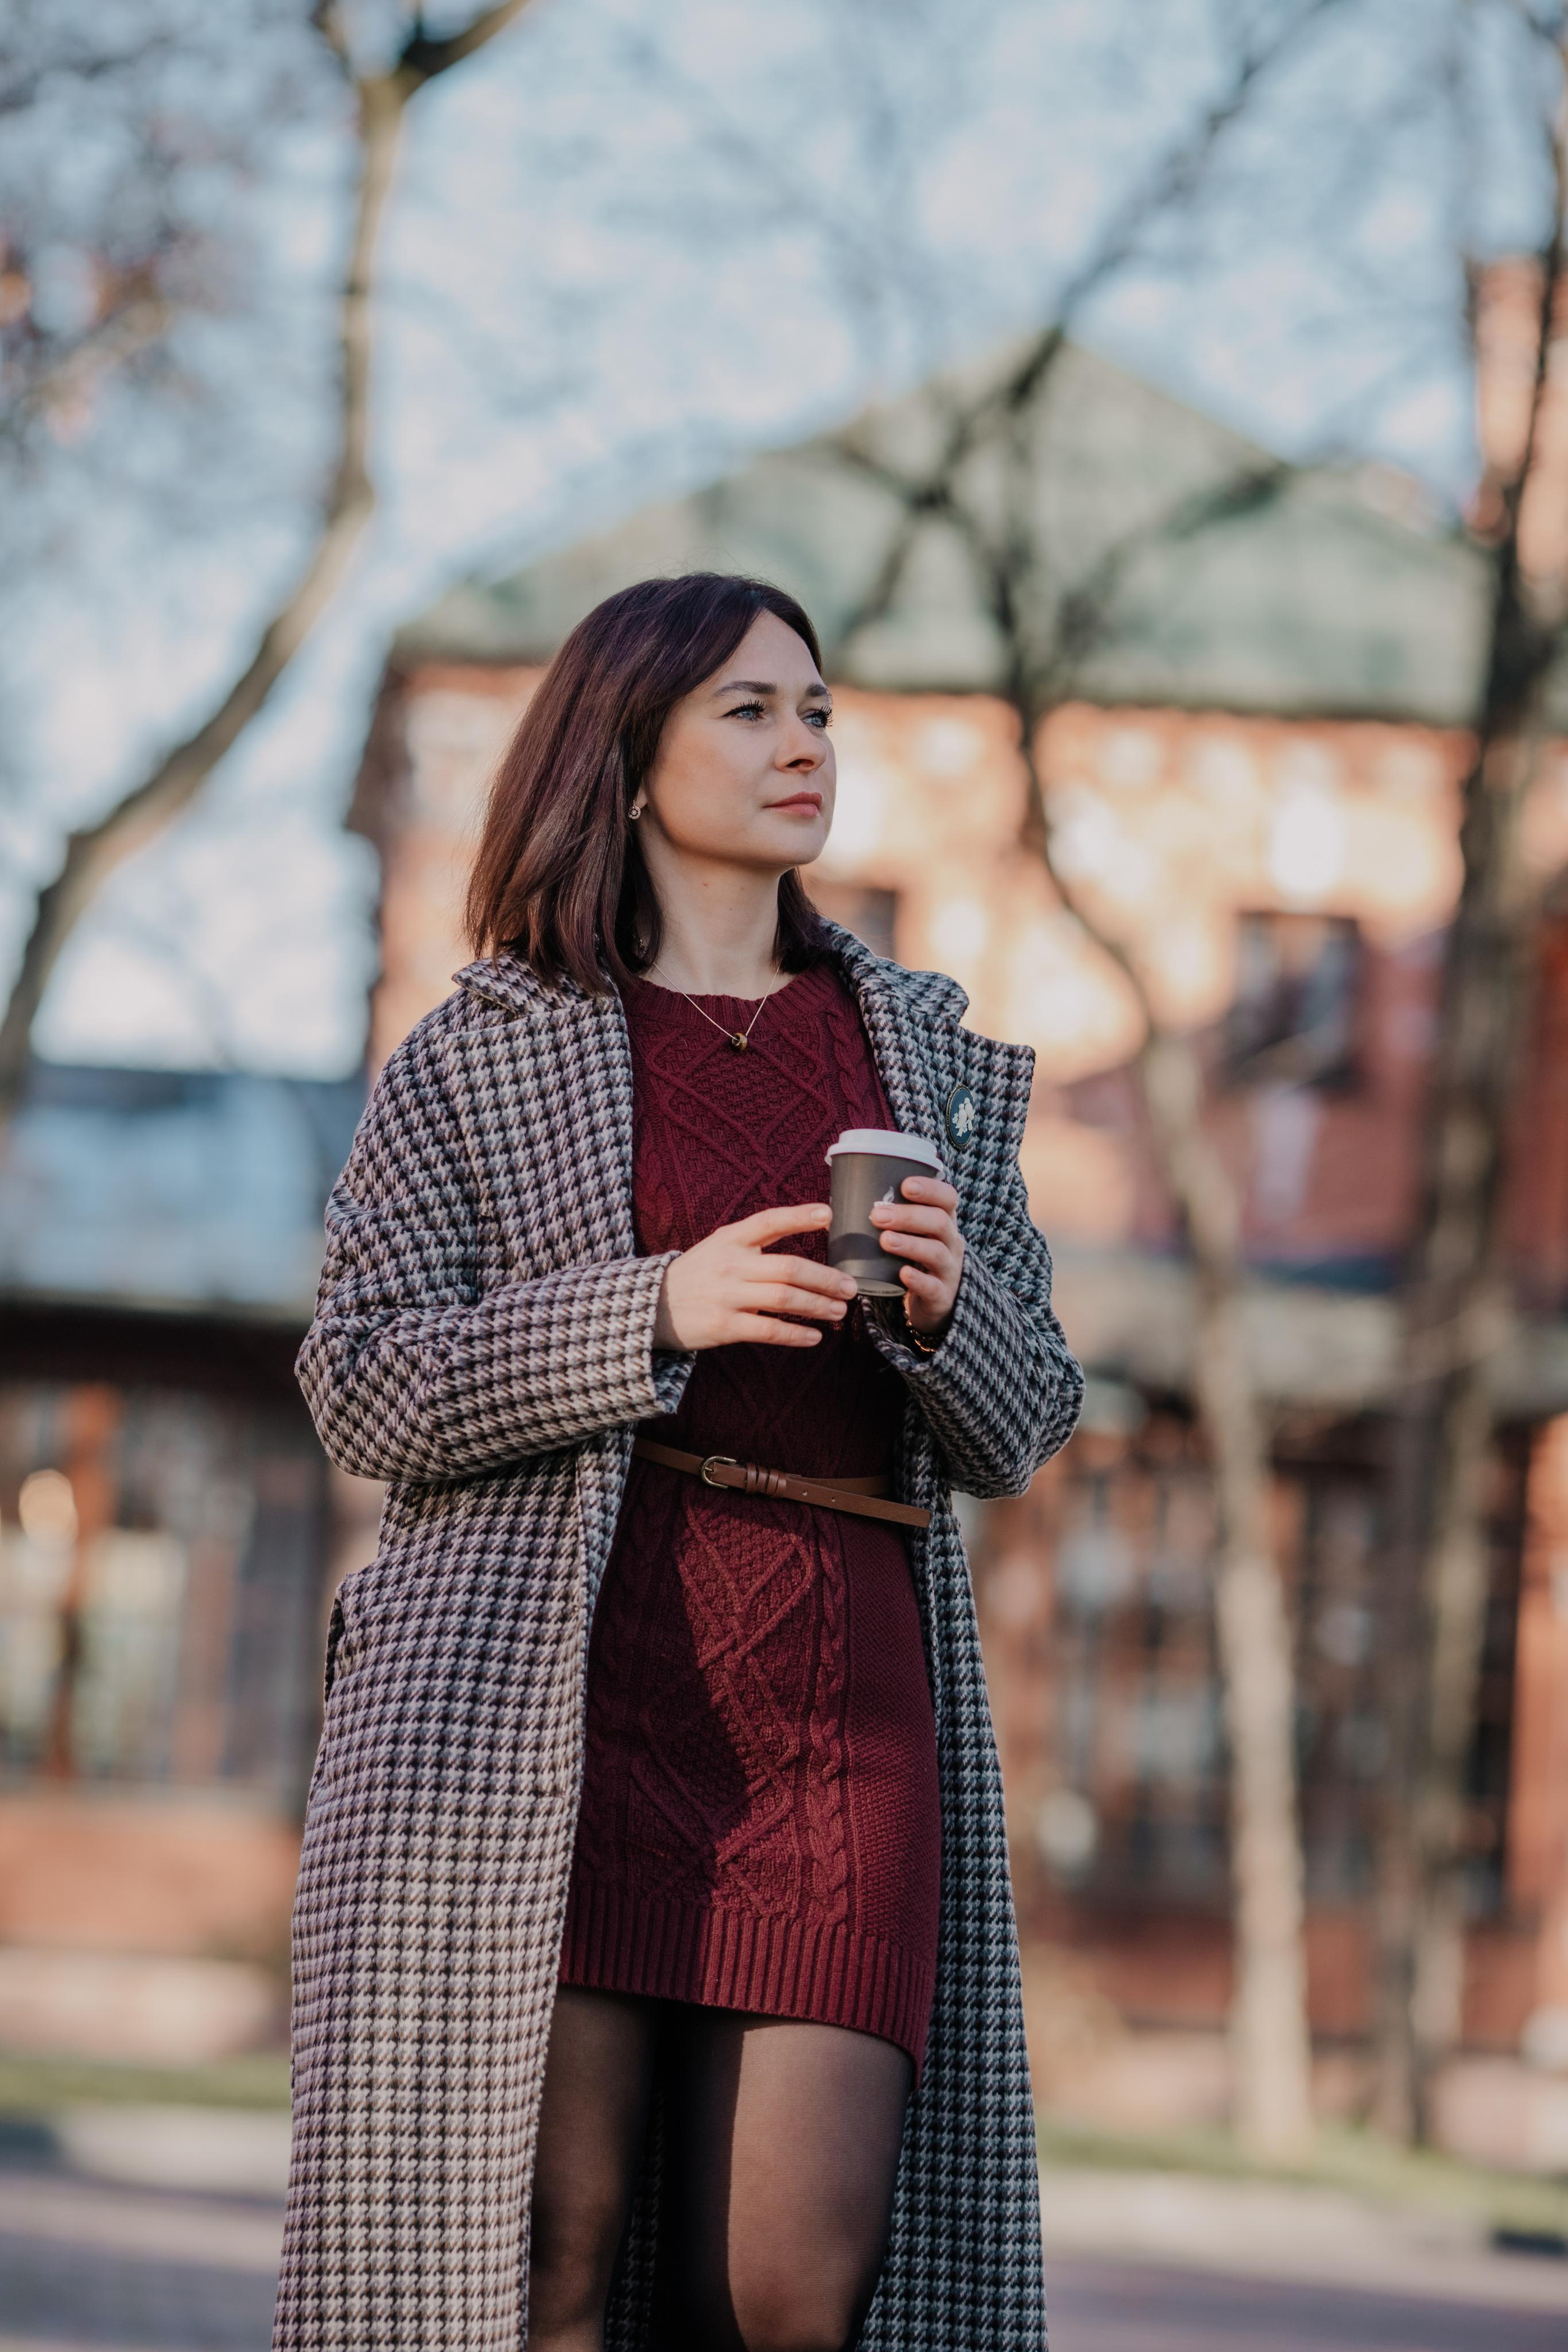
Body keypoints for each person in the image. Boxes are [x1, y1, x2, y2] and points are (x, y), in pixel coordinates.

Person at [273, 573, 1082, 2352]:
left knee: (794, 2295)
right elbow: (365, 1384)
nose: (804, 744)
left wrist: (954, 1319)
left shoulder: (926, 1060)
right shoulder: (477, 1058)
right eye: (750, 710)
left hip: (840, 1723)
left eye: (819, 711)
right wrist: (657, 1305)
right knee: (538, 2272)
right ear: (627, 757)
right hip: (550, 1717)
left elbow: (1029, 1430)